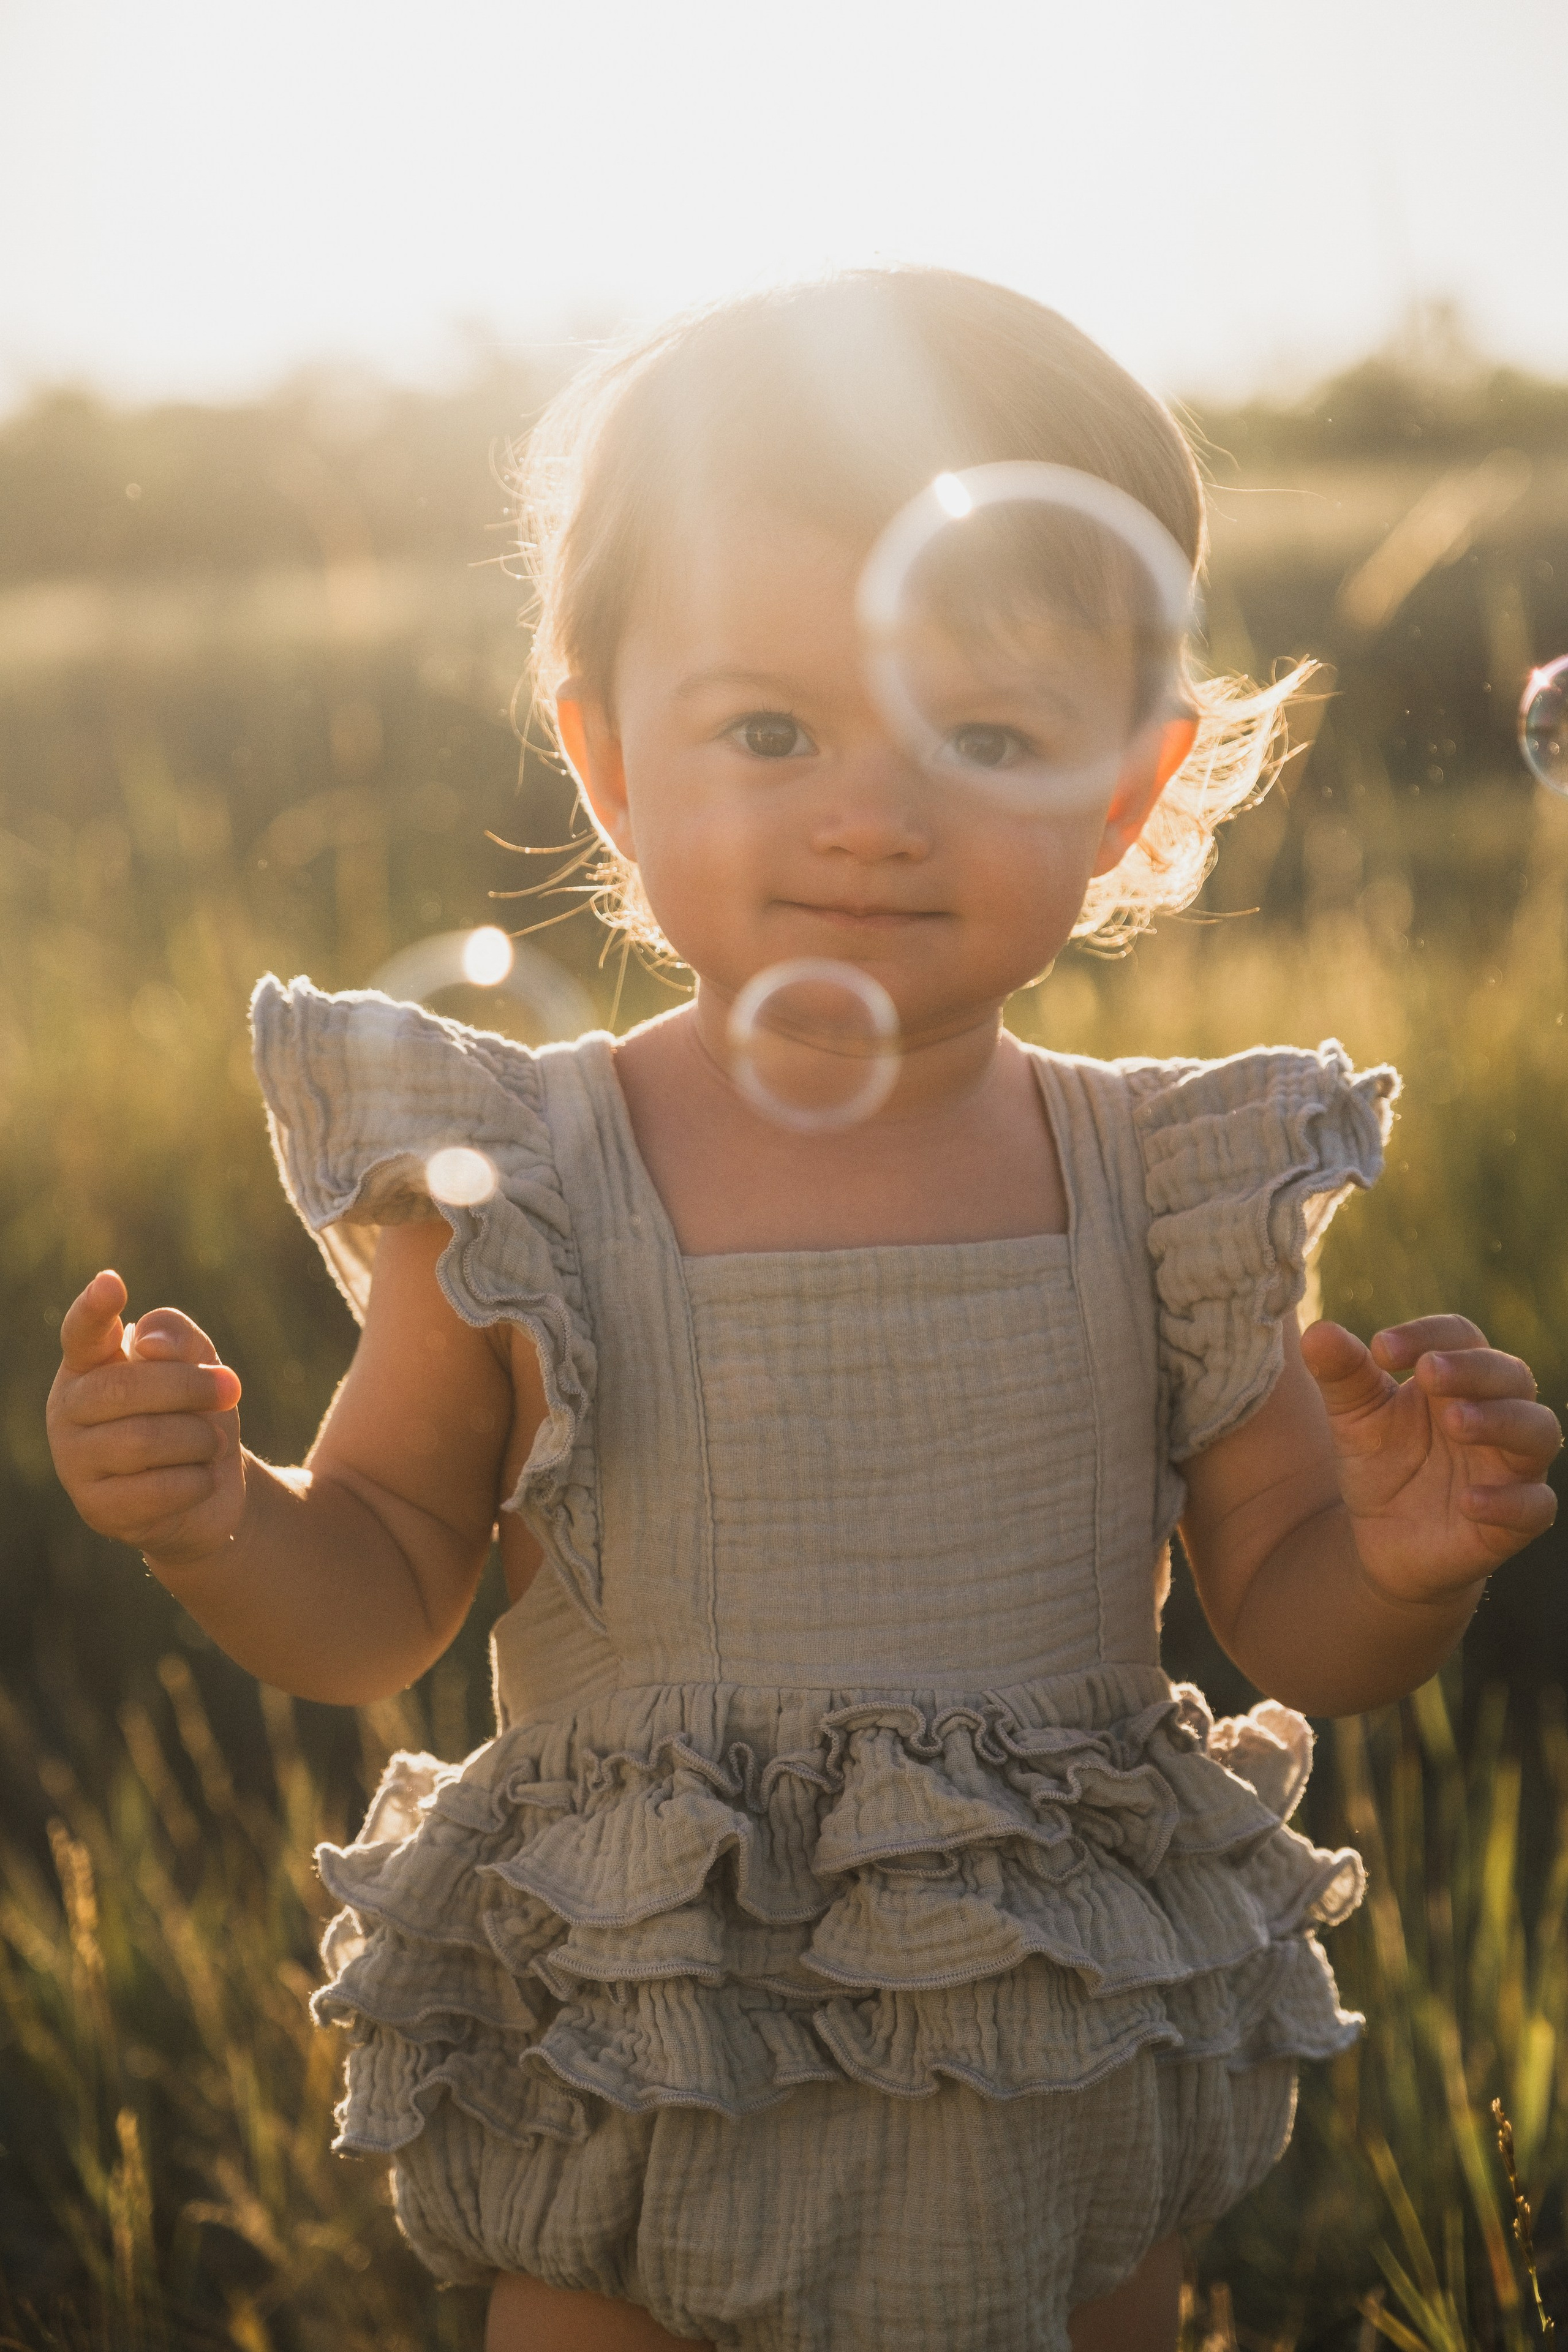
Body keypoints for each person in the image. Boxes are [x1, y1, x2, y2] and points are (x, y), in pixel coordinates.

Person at [46, 271, 1562, 2352]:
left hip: (1048, 2039)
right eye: (772, 728)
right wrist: (219, 1513)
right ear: (605, 761)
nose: (873, 808)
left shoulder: (1164, 1185)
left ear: (1127, 791)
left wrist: (1401, 1559)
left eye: (991, 734)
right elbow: (385, 1584)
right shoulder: (524, 1178)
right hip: (648, 2045)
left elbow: (1289, 1608)